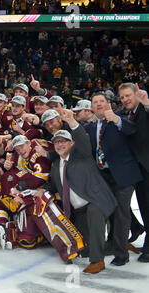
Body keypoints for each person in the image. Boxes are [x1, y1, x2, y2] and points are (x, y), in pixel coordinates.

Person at [37, 109, 117, 274]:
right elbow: (53, 185)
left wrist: (72, 122)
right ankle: (98, 250)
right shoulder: (55, 166)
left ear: (71, 143)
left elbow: (82, 139)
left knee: (95, 215)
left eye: (63, 141)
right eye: (57, 142)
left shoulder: (82, 155)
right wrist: (41, 191)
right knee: (84, 248)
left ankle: (98, 261)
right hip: (78, 211)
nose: (60, 145)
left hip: (95, 202)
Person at [84, 92, 143, 266]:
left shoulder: (120, 117)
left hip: (123, 176)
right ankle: (109, 246)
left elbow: (132, 129)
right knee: (105, 212)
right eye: (95, 102)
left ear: (108, 104)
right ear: (92, 107)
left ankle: (121, 254)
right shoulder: (90, 126)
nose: (99, 104)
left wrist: (116, 119)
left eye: (102, 101)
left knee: (121, 214)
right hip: (103, 176)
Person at [117, 82, 149, 262]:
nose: (125, 99)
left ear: (137, 94)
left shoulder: (144, 109)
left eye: (128, 95)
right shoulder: (126, 114)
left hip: (147, 166)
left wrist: (147, 103)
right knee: (144, 205)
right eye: (122, 97)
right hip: (136, 169)